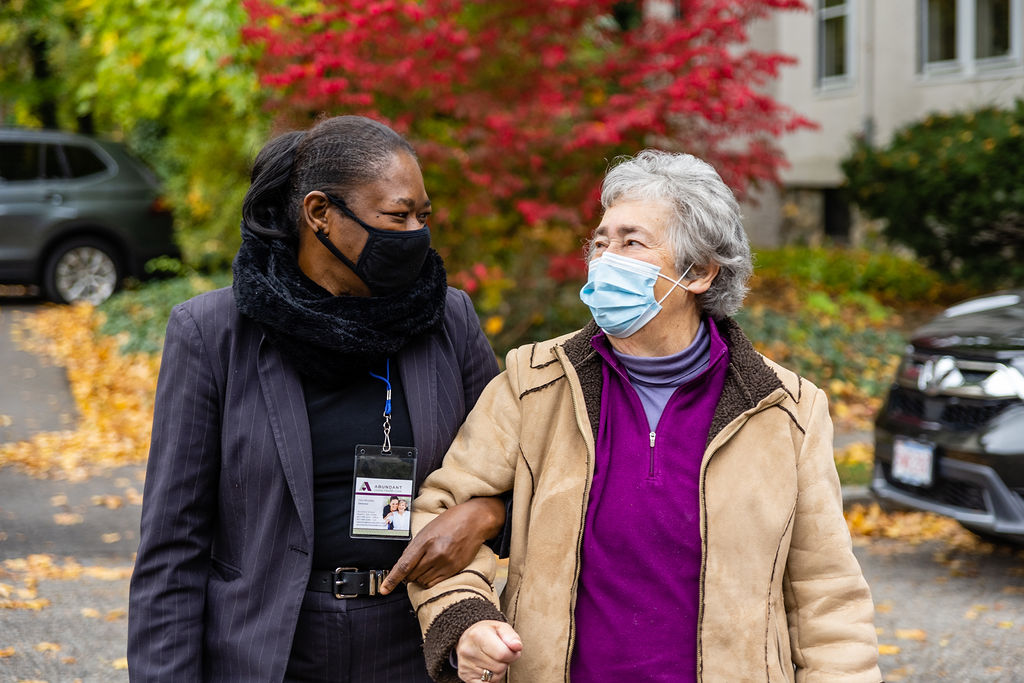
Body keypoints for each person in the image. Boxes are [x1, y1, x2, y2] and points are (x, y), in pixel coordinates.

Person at [400, 151, 882, 682]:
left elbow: (826, 595)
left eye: (631, 242)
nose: (605, 258)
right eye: (600, 242)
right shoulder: (534, 382)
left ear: (699, 272)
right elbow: (441, 512)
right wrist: (466, 620)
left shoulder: (786, 409)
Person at [127, 115, 506, 682]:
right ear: (320, 214)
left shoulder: (447, 319)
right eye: (396, 216)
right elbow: (172, 546)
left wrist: (480, 514)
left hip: (417, 642)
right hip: (271, 649)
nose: (416, 235)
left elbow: (514, 476)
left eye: (422, 217)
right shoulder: (213, 332)